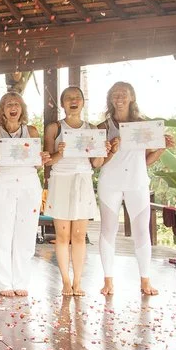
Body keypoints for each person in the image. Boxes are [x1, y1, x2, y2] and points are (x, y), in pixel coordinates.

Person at [97, 82, 174, 296]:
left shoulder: (144, 126)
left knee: (141, 231)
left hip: (137, 182)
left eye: (123, 94)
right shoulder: (102, 127)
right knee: (108, 230)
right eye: (115, 94)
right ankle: (108, 281)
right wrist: (110, 148)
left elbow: (146, 160)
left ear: (132, 97)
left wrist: (163, 148)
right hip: (110, 183)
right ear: (110, 99)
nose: (119, 98)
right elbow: (98, 161)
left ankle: (145, 280)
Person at [44, 86, 110, 296]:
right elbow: (47, 161)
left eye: (77, 98)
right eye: (68, 98)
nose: (73, 101)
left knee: (80, 236)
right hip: (61, 180)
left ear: (83, 102)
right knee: (63, 235)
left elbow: (96, 163)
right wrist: (60, 152)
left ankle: (78, 282)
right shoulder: (54, 128)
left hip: (83, 180)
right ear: (62, 103)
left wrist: (104, 151)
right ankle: (65, 281)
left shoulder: (92, 129)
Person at [0, 91, 50, 297]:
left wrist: (42, 159)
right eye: (8, 104)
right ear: (2, 110)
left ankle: (21, 281)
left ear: (22, 109)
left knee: (26, 232)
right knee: (1, 233)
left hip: (28, 182)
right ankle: (3, 283)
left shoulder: (31, 131)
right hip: (1, 182)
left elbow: (37, 164)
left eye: (16, 104)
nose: (13, 107)